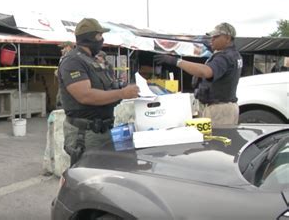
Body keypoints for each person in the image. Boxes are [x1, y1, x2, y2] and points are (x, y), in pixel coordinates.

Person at [58, 18, 140, 166]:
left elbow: (107, 89)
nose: (102, 40)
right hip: (86, 133)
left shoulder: (93, 61)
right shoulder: (73, 61)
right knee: (87, 178)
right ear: (90, 37)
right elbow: (85, 95)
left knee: (103, 177)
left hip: (103, 130)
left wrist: (123, 90)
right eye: (99, 36)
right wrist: (122, 93)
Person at [155, 22, 243, 126]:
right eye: (212, 37)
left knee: (215, 141)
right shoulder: (234, 55)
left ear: (228, 38)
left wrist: (176, 61)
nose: (212, 39)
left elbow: (206, 72)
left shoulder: (224, 57)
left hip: (219, 110)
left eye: (216, 37)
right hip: (225, 106)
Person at [55, 41, 75, 108]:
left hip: (69, 84)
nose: (62, 50)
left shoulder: (72, 57)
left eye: (64, 47)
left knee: (64, 101)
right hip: (63, 84)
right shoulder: (63, 57)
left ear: (68, 47)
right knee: (59, 100)